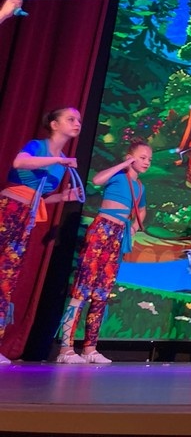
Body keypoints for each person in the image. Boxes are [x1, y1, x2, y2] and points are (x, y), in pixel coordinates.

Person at [55, 139, 152, 364]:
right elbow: (97, 180)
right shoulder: (118, 175)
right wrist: (124, 164)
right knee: (82, 287)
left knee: (102, 291)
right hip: (102, 229)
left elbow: (142, 210)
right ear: (130, 157)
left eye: (149, 159)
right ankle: (65, 348)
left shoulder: (140, 187)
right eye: (142, 157)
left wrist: (133, 228)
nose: (147, 162)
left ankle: (90, 348)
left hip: (118, 235)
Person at [0, 107, 83, 364]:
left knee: (7, 277)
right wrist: (57, 160)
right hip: (8, 210)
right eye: (70, 119)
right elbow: (19, 163)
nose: (77, 123)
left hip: (27, 216)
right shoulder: (38, 146)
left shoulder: (62, 161)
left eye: (79, 120)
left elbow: (41, 198)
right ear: (54, 124)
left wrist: (63, 197)